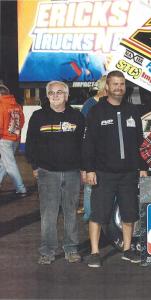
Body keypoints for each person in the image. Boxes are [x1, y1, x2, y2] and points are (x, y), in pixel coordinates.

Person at [82, 70, 147, 268]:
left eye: (122, 84)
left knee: (129, 214)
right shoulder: (96, 111)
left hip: (128, 173)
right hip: (103, 173)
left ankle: (127, 250)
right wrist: (89, 169)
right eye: (115, 84)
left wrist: (142, 167)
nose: (119, 88)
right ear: (107, 87)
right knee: (98, 215)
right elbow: (88, 143)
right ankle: (94, 252)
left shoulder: (132, 110)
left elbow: (139, 141)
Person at [25, 81, 85, 264]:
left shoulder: (77, 117)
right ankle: (47, 251)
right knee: (48, 214)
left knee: (70, 212)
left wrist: (83, 168)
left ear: (67, 96)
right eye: (52, 92)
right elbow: (30, 144)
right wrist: (35, 166)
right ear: (47, 95)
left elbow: (84, 145)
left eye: (60, 92)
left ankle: (71, 249)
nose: (56, 95)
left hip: (72, 173)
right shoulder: (38, 116)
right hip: (47, 173)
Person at [80, 75, 107, 221]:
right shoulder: (90, 104)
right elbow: (83, 132)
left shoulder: (109, 103)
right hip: (91, 152)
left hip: (104, 153)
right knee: (90, 186)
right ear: (104, 88)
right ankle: (89, 216)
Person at [0, 84, 27, 196]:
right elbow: (22, 122)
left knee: (10, 165)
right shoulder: (16, 104)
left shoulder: (1, 105)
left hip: (4, 138)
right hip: (15, 138)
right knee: (4, 164)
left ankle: (21, 188)